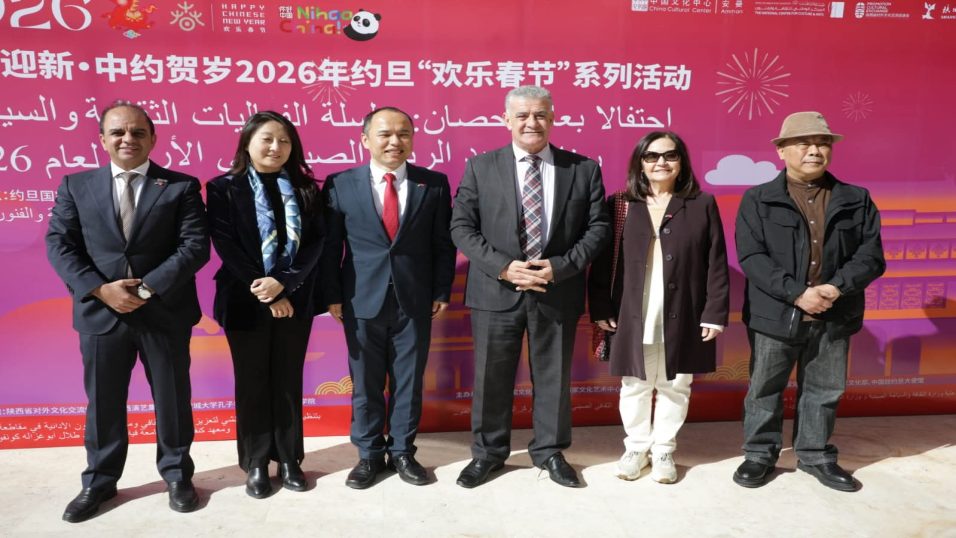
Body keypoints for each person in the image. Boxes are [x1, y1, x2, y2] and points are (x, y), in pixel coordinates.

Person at [46, 101, 209, 522]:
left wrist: (147, 288)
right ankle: (99, 481)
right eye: (118, 132)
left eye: (138, 132)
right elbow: (60, 244)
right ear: (103, 140)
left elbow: (194, 246)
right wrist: (101, 290)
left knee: (172, 399)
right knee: (103, 403)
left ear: (153, 138)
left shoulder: (180, 186)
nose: (128, 139)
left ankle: (177, 475)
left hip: (164, 313)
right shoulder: (76, 185)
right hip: (102, 314)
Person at [450, 85, 610, 488]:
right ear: (506, 120)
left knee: (554, 379)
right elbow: (462, 227)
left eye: (540, 115)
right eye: (522, 115)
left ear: (553, 118)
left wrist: (559, 268)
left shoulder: (583, 169)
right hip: (496, 291)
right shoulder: (481, 167)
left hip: (557, 291)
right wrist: (504, 268)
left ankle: (550, 452)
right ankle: (487, 454)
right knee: (490, 379)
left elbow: (597, 229)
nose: (531, 123)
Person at [733, 111, 885, 492]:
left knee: (825, 389)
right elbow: (752, 257)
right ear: (781, 151)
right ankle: (759, 454)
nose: (815, 150)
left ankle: (816, 454)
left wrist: (836, 287)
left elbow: (870, 256)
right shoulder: (758, 199)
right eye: (804, 143)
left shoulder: (856, 199)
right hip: (775, 314)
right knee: (765, 388)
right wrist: (798, 293)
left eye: (822, 143)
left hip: (835, 312)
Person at [321, 107, 456, 489]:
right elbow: (330, 247)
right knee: (365, 383)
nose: (395, 141)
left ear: (412, 139)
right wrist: (332, 294)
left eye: (403, 134)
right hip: (360, 299)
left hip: (415, 300)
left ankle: (402, 452)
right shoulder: (339, 184)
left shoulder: (434, 184)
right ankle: (368, 454)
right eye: (384, 134)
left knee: (408, 382)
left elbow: (442, 244)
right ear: (366, 140)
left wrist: (440, 291)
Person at [588, 131, 729, 484]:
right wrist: (601, 305)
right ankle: (636, 448)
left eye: (670, 155)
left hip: (684, 310)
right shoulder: (620, 204)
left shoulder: (701, 203)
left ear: (682, 162)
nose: (660, 162)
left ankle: (664, 450)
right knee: (634, 383)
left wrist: (714, 313)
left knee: (676, 384)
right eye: (651, 156)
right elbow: (602, 261)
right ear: (640, 163)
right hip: (632, 310)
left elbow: (716, 262)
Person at [206, 111, 326, 498]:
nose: (276, 147)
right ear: (247, 143)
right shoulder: (223, 188)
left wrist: (284, 285)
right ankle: (256, 461)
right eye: (267, 139)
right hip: (244, 299)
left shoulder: (307, 189)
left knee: (288, 380)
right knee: (252, 381)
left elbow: (315, 245)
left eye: (284, 141)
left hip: (296, 299)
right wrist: (267, 290)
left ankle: (289, 458)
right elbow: (226, 244)